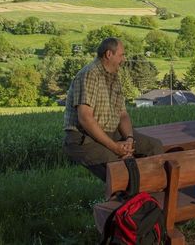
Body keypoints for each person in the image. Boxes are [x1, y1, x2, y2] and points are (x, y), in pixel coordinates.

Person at [62, 37, 163, 181]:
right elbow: (85, 118)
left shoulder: (114, 77)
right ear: (109, 54)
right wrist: (116, 148)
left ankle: (149, 194)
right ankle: (131, 197)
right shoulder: (89, 75)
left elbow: (122, 114)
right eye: (121, 55)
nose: (124, 59)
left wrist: (129, 139)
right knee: (119, 168)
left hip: (110, 132)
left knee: (154, 147)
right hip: (83, 138)